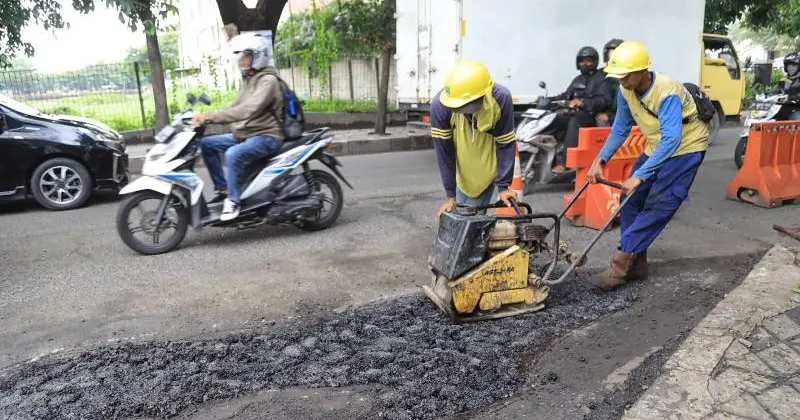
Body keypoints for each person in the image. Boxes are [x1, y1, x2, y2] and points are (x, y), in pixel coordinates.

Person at [586, 41, 710, 291]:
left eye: (626, 76)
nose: (622, 81)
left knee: (660, 203)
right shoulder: (626, 91)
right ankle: (637, 262)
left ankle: (620, 264)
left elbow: (673, 139)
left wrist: (640, 175)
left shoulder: (667, 90)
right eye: (619, 76)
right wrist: (600, 160)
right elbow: (620, 128)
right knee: (630, 196)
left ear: (642, 71)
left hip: (686, 147)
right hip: (656, 146)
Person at [192, 32, 285, 222]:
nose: (241, 60)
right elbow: (235, 107)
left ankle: (234, 201)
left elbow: (247, 110)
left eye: (246, 55)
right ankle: (224, 189)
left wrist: (211, 117)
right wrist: (205, 116)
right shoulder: (250, 79)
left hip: (267, 136)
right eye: (241, 56)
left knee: (233, 154)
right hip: (248, 134)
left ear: (258, 56)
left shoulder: (268, 81)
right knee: (207, 144)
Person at [430, 60, 518, 219]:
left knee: (470, 219)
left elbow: (505, 143)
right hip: (463, 162)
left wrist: (503, 187)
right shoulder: (440, 106)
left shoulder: (501, 98)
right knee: (461, 217)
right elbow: (444, 153)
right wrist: (450, 196)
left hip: (485, 164)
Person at [550, 46, 615, 173]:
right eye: (582, 61)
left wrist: (583, 103)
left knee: (575, 121)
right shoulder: (578, 79)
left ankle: (566, 162)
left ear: (595, 62)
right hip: (574, 113)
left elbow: (603, 100)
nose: (585, 64)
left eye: (588, 61)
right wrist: (548, 100)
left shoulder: (601, 78)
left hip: (590, 116)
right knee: (553, 119)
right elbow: (566, 95)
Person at [595, 38, 625, 127]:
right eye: (611, 55)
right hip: (594, 111)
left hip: (618, 116)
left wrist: (610, 116)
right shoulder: (598, 75)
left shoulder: (628, 75)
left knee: (602, 120)